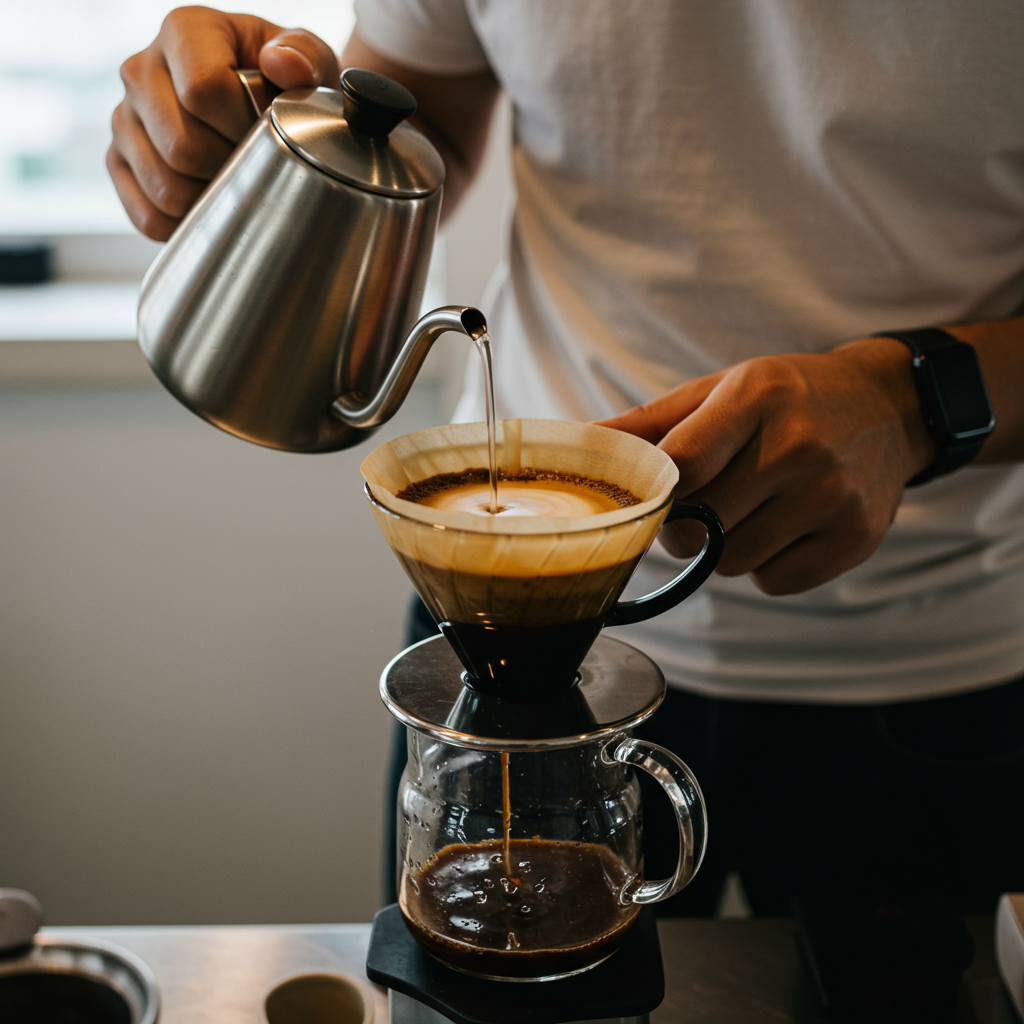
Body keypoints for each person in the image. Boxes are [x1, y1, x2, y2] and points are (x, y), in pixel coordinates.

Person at [109, 2, 1024, 915]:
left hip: (940, 662)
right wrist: (240, 150)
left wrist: (918, 402)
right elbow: (421, 117)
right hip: (492, 613)